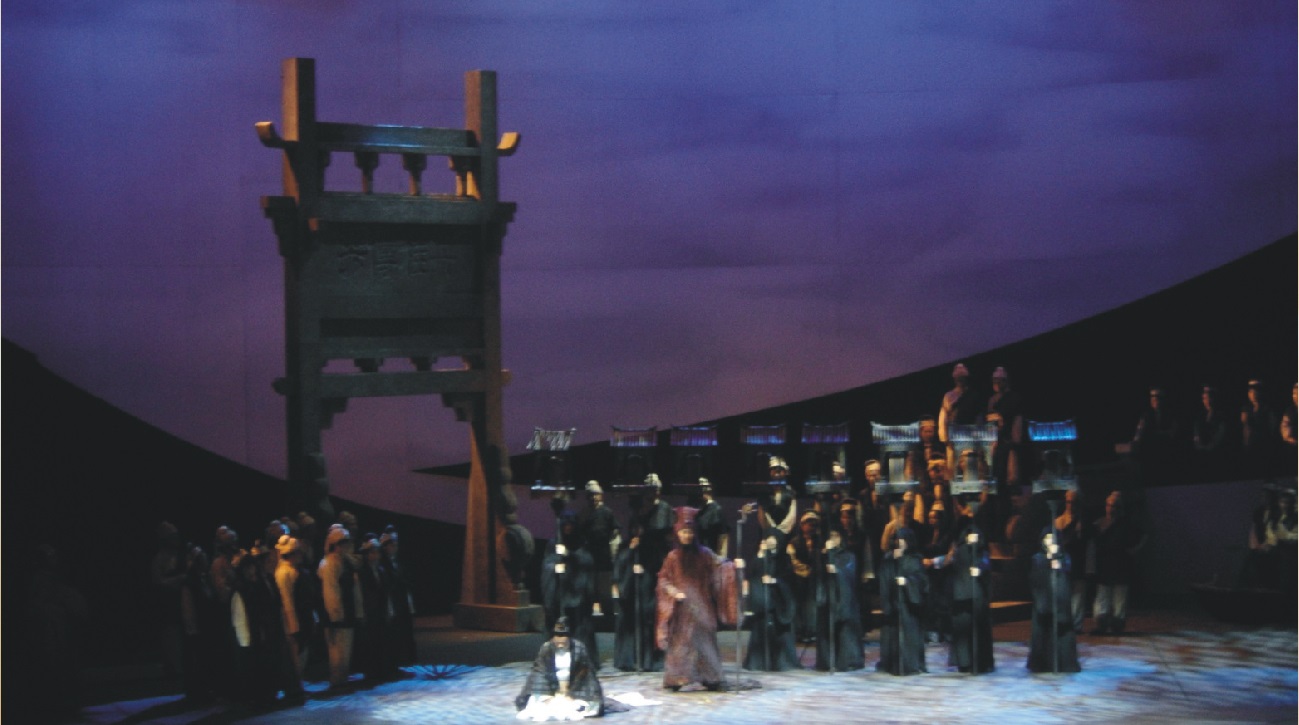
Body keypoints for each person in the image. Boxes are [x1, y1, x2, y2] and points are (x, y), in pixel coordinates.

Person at [655, 506, 738, 691]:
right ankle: (677, 678)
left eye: (690, 532)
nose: (687, 536)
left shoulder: (705, 554)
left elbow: (721, 567)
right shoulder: (672, 557)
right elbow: (663, 580)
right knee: (680, 641)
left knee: (705, 639)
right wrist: (674, 592)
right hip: (681, 606)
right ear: (678, 533)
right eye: (684, 532)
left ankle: (711, 677)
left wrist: (732, 567)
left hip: (702, 604)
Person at [933, 497, 994, 673]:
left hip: (975, 585)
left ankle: (979, 661)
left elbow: (984, 554)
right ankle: (964, 660)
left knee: (977, 623)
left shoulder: (979, 528)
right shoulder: (957, 530)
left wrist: (980, 568)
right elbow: (951, 555)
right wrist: (935, 562)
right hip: (960, 585)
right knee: (962, 622)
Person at [515, 617, 604, 720]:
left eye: (563, 636)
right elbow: (539, 671)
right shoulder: (546, 648)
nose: (560, 639)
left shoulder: (579, 648)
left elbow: (585, 672)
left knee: (590, 703)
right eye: (557, 635)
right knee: (536, 702)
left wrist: (571, 693)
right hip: (551, 690)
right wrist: (547, 695)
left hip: (574, 689)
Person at [542, 511, 599, 666]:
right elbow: (547, 564)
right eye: (565, 525)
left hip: (576, 592)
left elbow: (587, 562)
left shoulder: (581, 543)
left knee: (578, 626)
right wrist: (554, 568)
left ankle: (579, 660)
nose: (568, 528)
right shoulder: (553, 543)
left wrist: (569, 555)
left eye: (570, 525)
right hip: (560, 592)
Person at [743, 527, 799, 671]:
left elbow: (789, 579)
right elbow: (753, 575)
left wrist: (775, 581)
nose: (771, 541)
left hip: (778, 602)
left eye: (774, 538)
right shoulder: (761, 557)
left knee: (778, 632)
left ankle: (780, 662)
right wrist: (760, 556)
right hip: (764, 601)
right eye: (768, 538)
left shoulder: (783, 558)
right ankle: (760, 662)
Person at [1091, 491, 1146, 635]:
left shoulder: (1127, 524)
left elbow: (1142, 536)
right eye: (1109, 505)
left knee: (1119, 597)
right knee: (1103, 596)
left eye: (1114, 506)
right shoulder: (1099, 523)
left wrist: (1134, 550)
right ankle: (1101, 624)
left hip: (1121, 564)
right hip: (1104, 564)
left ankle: (1117, 625)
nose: (1111, 509)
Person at [1027, 529, 1081, 673]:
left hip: (1060, 601)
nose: (1049, 541)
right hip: (1044, 601)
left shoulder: (1064, 557)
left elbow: (1068, 571)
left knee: (1062, 632)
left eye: (1052, 538)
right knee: (1044, 631)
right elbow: (1036, 577)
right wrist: (1048, 560)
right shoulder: (1037, 558)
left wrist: (1058, 562)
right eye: (1047, 538)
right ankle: (1043, 663)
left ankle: (1064, 662)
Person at [876, 527, 927, 675]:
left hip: (908, 604)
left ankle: (909, 664)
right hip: (893, 602)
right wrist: (894, 561)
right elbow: (884, 578)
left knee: (908, 632)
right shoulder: (888, 559)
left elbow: (922, 581)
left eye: (903, 540)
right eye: (898, 540)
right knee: (892, 633)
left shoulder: (915, 559)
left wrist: (907, 582)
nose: (900, 543)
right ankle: (891, 663)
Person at [611, 523, 661, 672]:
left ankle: (645, 660)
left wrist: (644, 571)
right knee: (628, 625)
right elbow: (618, 567)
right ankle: (628, 660)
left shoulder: (651, 547)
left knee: (644, 626)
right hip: (629, 594)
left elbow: (656, 568)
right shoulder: (624, 547)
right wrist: (630, 551)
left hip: (645, 592)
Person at [319, 526, 364, 688]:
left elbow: (355, 589)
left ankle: (342, 679)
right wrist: (336, 616)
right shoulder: (329, 564)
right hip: (336, 616)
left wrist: (357, 612)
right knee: (337, 651)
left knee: (345, 650)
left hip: (346, 612)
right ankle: (337, 681)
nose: (346, 546)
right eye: (343, 543)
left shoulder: (345, 561)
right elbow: (331, 592)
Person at [815, 529, 865, 671]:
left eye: (836, 536)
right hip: (828, 599)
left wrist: (837, 571)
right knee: (827, 628)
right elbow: (817, 575)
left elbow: (849, 574)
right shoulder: (822, 555)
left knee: (845, 630)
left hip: (844, 599)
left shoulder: (848, 555)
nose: (834, 539)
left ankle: (847, 661)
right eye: (831, 536)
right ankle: (827, 661)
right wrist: (826, 555)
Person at [274, 535, 314, 698]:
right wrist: (293, 626)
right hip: (294, 621)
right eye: (297, 552)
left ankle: (298, 685)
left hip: (302, 617)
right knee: (295, 656)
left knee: (301, 654)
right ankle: (294, 688)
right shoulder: (284, 573)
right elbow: (288, 601)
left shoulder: (293, 570)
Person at [578, 481, 621, 622]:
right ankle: (587, 620)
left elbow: (615, 531)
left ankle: (608, 619)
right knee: (589, 590)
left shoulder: (607, 513)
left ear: (601, 495)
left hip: (604, 557)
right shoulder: (584, 513)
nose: (594, 497)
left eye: (596, 494)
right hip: (588, 558)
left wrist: (613, 550)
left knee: (604, 590)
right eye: (591, 495)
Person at [1053, 490, 1091, 633]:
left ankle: (1075, 625)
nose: (1070, 505)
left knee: (1078, 596)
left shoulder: (1084, 523)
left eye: (1073, 502)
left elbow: (1089, 546)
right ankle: (1063, 623)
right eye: (1068, 502)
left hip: (1079, 562)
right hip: (1063, 563)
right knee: (1063, 595)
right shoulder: (1058, 522)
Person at [379, 527, 417, 667]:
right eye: (392, 544)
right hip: (392, 604)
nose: (395, 547)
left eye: (396, 544)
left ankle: (403, 659)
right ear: (385, 546)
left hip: (402, 603)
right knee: (393, 633)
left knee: (403, 632)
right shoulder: (383, 565)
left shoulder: (398, 563)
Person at [939, 363, 984, 471]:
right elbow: (944, 418)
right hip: (953, 437)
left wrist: (978, 437)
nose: (960, 380)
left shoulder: (973, 395)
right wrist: (946, 438)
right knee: (953, 470)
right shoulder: (949, 396)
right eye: (958, 378)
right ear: (954, 379)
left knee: (970, 468)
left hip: (969, 436)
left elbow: (978, 418)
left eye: (962, 377)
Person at [787, 510, 822, 644]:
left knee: (812, 605)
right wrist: (806, 570)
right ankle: (799, 631)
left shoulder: (820, 542)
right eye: (809, 524)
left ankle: (812, 631)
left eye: (814, 524)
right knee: (799, 604)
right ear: (802, 525)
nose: (811, 527)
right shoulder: (794, 542)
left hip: (815, 579)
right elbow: (792, 560)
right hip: (799, 578)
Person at [1241, 379, 1280, 478]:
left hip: (1264, 445)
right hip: (1250, 445)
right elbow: (1244, 426)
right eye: (1250, 392)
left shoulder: (1267, 409)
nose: (1252, 395)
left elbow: (1272, 426)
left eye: (1255, 392)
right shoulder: (1246, 408)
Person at [1192, 385, 1231, 481]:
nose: (1207, 401)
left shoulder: (1221, 416)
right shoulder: (1200, 416)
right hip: (1201, 456)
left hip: (1217, 456)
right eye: (1205, 398)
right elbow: (1196, 435)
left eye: (1210, 398)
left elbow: (1221, 435)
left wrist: (1209, 447)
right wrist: (1199, 446)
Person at [762, 457, 798, 536]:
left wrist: (782, 531)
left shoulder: (791, 492)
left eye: (780, 470)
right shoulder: (764, 492)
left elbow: (792, 515)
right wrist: (773, 530)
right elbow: (764, 513)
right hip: (768, 534)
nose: (777, 472)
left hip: (787, 533)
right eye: (774, 469)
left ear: (785, 472)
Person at [694, 478, 728, 557]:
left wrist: (722, 559)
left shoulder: (716, 510)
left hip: (710, 555)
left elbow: (723, 536)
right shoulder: (696, 508)